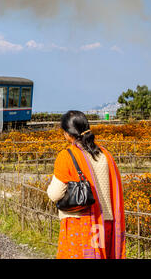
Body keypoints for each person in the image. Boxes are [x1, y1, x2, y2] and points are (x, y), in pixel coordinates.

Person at [47, 110, 125, 259]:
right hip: (106, 223)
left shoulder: (67, 155)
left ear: (67, 133)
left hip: (80, 222)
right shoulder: (105, 154)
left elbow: (55, 194)